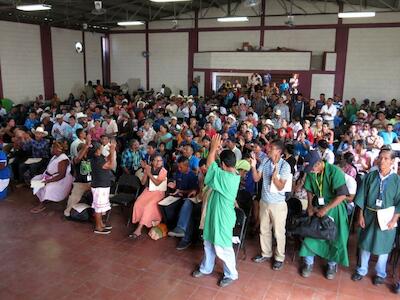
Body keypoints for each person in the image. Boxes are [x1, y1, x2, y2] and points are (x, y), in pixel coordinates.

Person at [192, 134, 241, 288]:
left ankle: (231, 274)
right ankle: (206, 268)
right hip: (214, 214)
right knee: (208, 243)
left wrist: (212, 149)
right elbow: (216, 164)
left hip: (222, 218)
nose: (219, 166)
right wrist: (218, 151)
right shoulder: (230, 172)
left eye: (221, 164)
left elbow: (210, 165)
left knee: (223, 247)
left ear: (224, 166)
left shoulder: (227, 178)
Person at [352, 147, 400, 286]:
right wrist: (360, 215)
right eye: (380, 158)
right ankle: (361, 270)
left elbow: (399, 203)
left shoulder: (397, 181)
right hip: (369, 214)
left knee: (384, 247)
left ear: (392, 161)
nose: (382, 161)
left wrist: (394, 220)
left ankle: (380, 273)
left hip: (387, 218)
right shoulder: (370, 177)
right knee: (365, 243)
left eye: (386, 158)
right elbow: (361, 197)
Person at [300, 150, 350, 280]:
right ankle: (308, 263)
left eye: (312, 168)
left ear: (319, 163)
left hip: (335, 207)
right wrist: (310, 205)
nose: (310, 171)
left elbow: (343, 195)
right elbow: (309, 189)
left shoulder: (335, 172)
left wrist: (326, 208)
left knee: (335, 237)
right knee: (311, 233)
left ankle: (332, 265)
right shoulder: (312, 171)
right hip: (318, 206)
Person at [250, 139, 291, 271]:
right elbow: (256, 178)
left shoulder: (285, 166)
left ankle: (279, 257)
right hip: (264, 201)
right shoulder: (266, 161)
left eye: (271, 147)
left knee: (279, 233)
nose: (267, 149)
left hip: (278, 204)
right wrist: (253, 166)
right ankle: (266, 253)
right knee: (264, 230)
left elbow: (280, 187)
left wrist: (274, 178)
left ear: (278, 151)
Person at [130, 154, 168, 239]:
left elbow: (157, 183)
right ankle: (142, 221)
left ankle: (139, 229)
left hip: (158, 192)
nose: (159, 162)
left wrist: (149, 173)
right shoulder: (148, 168)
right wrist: (146, 172)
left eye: (160, 161)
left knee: (148, 206)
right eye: (156, 160)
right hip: (148, 190)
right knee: (138, 203)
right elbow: (143, 183)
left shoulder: (163, 171)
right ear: (152, 161)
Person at [30, 141, 74, 213]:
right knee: (35, 181)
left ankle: (42, 204)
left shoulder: (63, 159)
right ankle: (44, 198)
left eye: (52, 147)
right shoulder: (55, 156)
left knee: (47, 187)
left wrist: (47, 181)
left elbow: (61, 175)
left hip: (61, 180)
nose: (51, 149)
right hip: (50, 176)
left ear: (57, 149)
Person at [90, 140, 116, 234]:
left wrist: (110, 153)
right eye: (100, 148)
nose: (102, 148)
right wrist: (113, 152)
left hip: (102, 185)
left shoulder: (98, 157)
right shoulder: (97, 159)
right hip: (99, 186)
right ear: (97, 150)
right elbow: (111, 165)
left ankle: (101, 224)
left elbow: (106, 159)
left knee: (100, 207)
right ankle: (98, 227)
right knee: (98, 207)